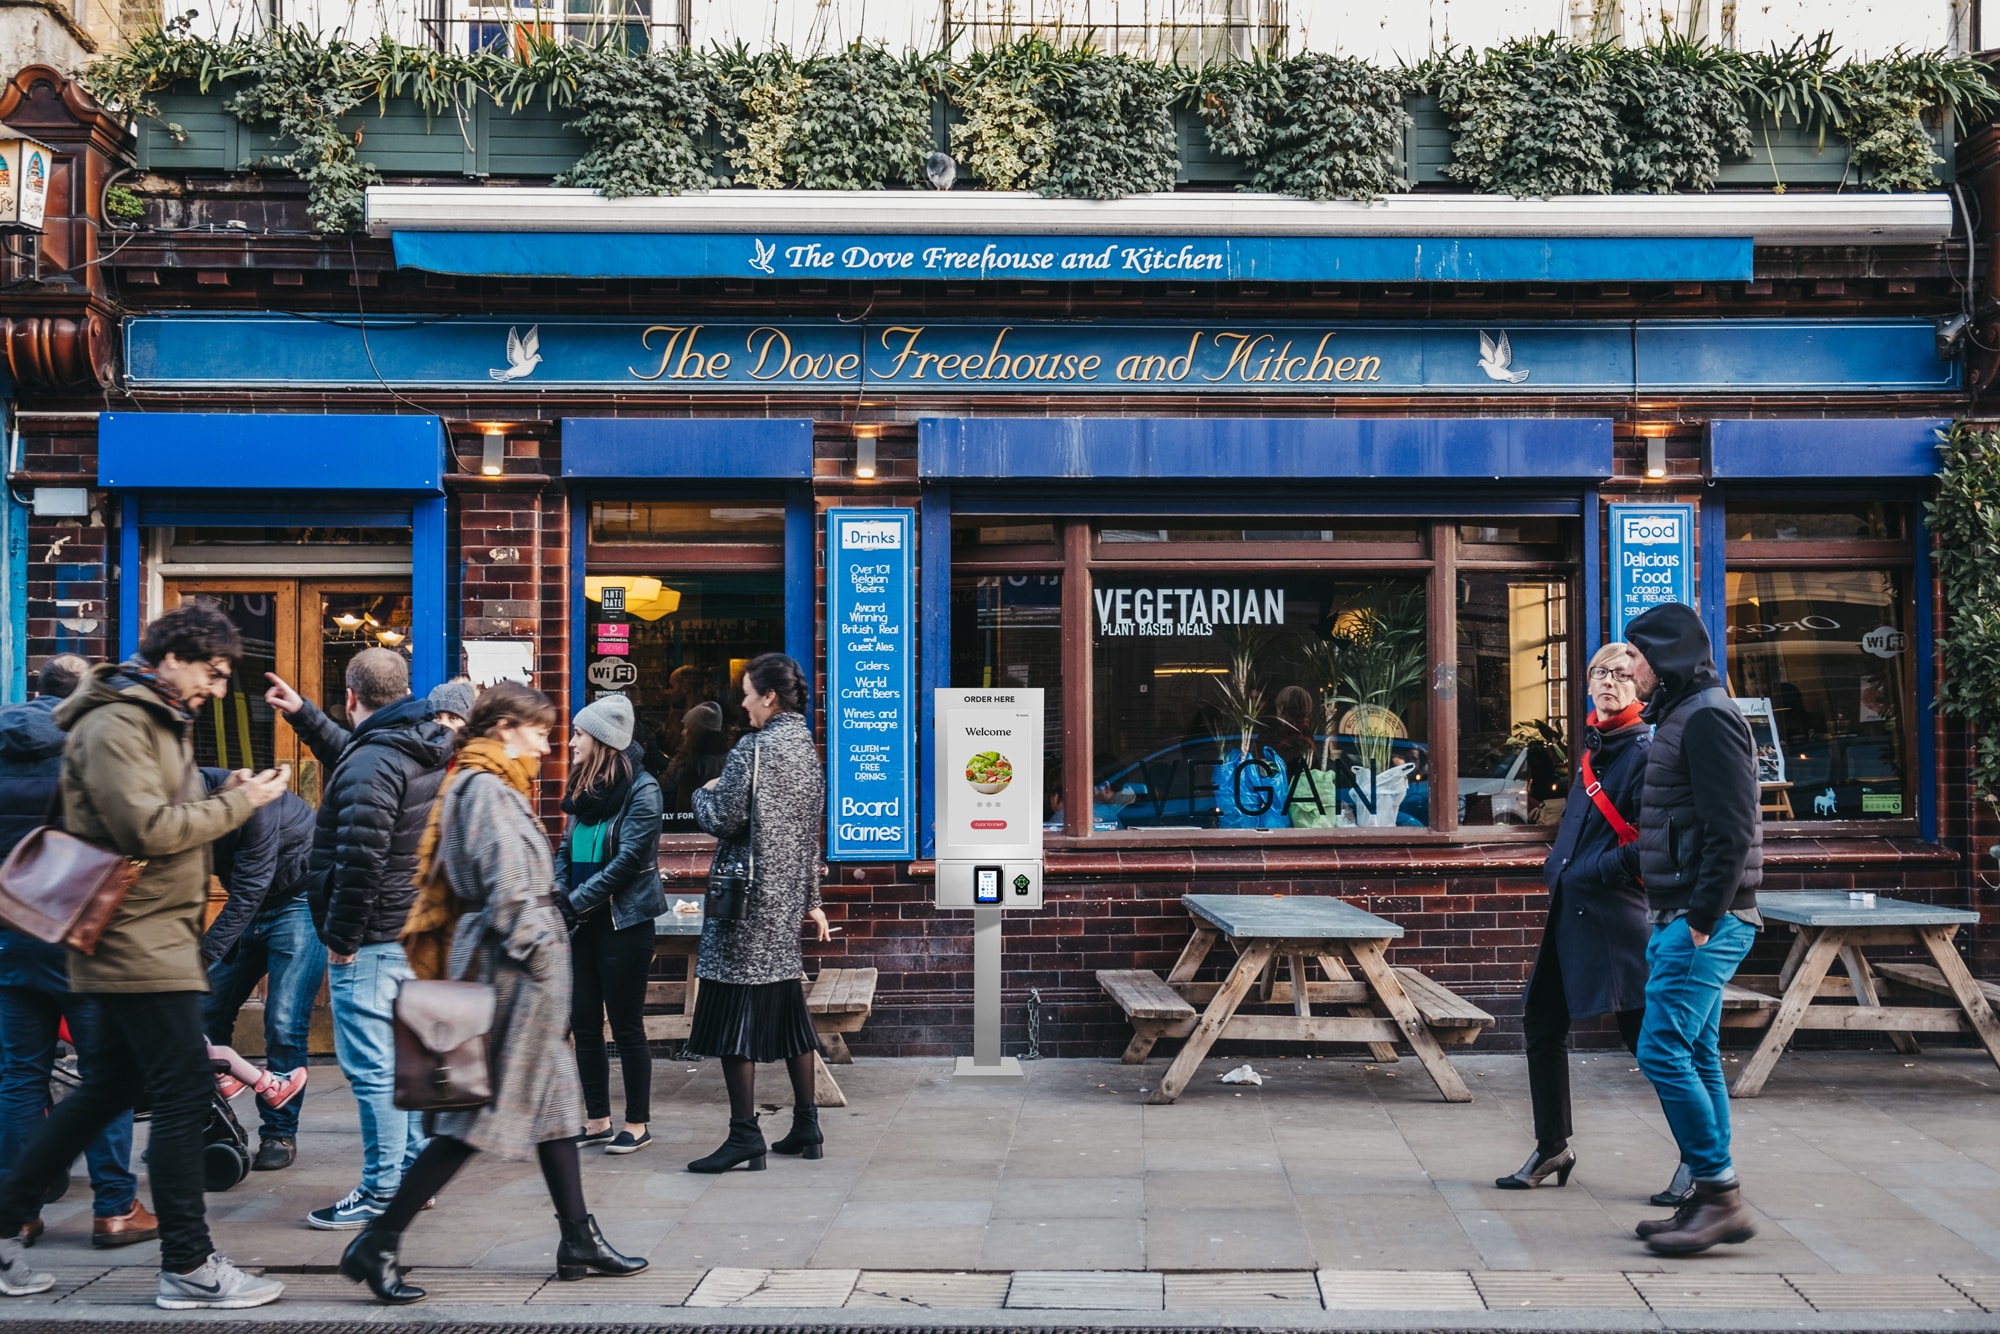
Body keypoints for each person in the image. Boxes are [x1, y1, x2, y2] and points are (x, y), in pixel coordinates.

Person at [0, 603, 291, 1308]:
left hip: (150, 940)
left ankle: (7, 1228)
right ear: (174, 658)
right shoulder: (117, 722)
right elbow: (146, 828)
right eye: (214, 673)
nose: (220, 690)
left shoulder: (154, 717)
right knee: (183, 1093)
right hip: (132, 943)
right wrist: (238, 802)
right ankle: (189, 1265)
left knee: (103, 1094)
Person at [338, 683, 647, 1305]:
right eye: (538, 731)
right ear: (506, 727)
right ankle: (379, 1240)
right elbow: (507, 893)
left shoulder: (490, 783)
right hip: (509, 980)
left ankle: (578, 1237)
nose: (548, 742)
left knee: (557, 1106)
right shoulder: (483, 789)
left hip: (522, 978)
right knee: (468, 1121)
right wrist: (544, 949)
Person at [265, 651, 452, 1230]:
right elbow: (355, 761)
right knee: (399, 1067)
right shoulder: (409, 741)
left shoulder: (377, 758)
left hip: (371, 938)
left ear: (352, 695)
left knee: (373, 1071)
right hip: (408, 930)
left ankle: (381, 1191)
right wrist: (302, 714)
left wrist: (341, 938)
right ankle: (413, 1177)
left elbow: (361, 858)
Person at [0, 655, 156, 1251]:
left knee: (19, 1076)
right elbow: (130, 838)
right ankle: (114, 1208)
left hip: (12, 932)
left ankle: (20, 1209)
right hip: (81, 935)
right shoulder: (91, 749)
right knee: (106, 1075)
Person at [1623, 603, 1763, 1256]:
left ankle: (1720, 1192)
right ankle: (1710, 1199)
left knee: (1660, 1050)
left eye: (1638, 655)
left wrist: (1704, 919)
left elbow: (1731, 829)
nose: (1631, 668)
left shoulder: (1708, 717)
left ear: (1668, 656)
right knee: (1697, 1052)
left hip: (1705, 919)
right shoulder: (1686, 714)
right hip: (1684, 914)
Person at [1497, 644, 1657, 1193]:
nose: (1609, 682)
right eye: (1599, 672)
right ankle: (1552, 1148)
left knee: (1652, 1047)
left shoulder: (1644, 750)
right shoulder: (1598, 745)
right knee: (1541, 1022)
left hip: (1615, 921)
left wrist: (1588, 870)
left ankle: (1701, 1160)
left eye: (1621, 674)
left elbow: (1651, 845)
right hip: (1572, 914)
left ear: (1640, 684)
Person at [686, 653, 831, 1173]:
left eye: (747, 694)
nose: (742, 704)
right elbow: (810, 837)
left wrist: (702, 796)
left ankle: (744, 1134)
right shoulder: (807, 753)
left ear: (769, 697)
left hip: (744, 905)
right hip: (784, 903)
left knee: (733, 1019)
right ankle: (807, 1124)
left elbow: (725, 819)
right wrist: (812, 900)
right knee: (790, 1015)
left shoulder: (754, 749)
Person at [556, 695, 667, 1155]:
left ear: (601, 739)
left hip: (624, 923)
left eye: (578, 734)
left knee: (625, 1026)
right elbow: (565, 850)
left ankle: (637, 1123)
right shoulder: (584, 787)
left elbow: (626, 864)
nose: (570, 742)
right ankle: (597, 1119)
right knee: (583, 1022)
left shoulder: (644, 790)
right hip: (582, 924)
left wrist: (572, 903)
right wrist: (560, 894)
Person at [199, 765, 322, 1172]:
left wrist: (200, 957)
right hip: (247, 902)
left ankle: (279, 1131)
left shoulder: (255, 797)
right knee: (205, 1012)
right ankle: (218, 1126)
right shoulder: (183, 800)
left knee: (284, 1019)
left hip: (298, 901)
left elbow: (252, 884)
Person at [661, 701, 727, 820]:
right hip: (714, 819)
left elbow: (665, 784)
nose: (683, 732)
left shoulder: (687, 757)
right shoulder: (727, 757)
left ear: (695, 732)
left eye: (687, 728)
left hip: (687, 820)